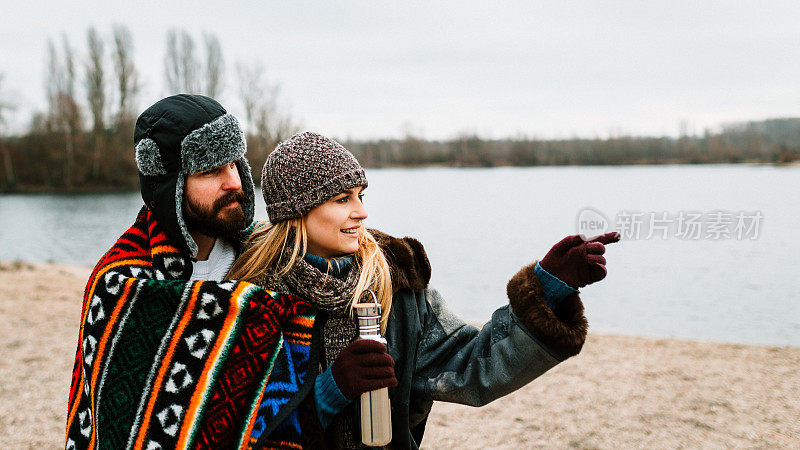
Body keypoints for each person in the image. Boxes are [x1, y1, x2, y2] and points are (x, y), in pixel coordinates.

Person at [227, 131, 621, 449]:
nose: (361, 211)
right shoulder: (250, 299)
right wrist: (329, 392)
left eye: (361, 196)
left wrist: (548, 287)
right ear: (298, 211)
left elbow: (472, 365)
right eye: (341, 199)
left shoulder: (395, 285)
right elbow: (231, 428)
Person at [65, 94, 312, 449]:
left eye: (234, 164)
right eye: (212, 170)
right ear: (170, 187)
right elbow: (116, 428)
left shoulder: (262, 253)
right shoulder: (121, 283)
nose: (235, 182)